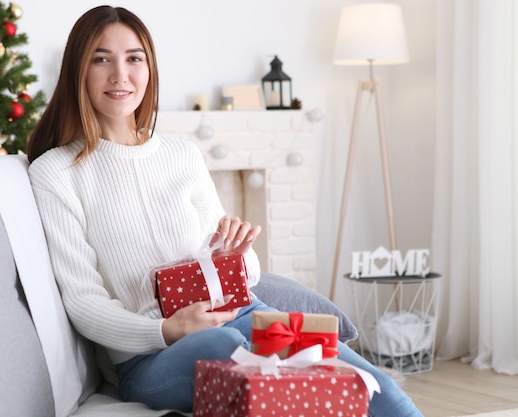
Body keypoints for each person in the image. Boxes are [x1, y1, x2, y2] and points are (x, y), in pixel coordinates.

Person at [27, 5, 423, 416]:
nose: (120, 75)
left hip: (246, 314)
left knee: (375, 386)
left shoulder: (183, 156)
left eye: (134, 58)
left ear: (150, 69)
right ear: (78, 70)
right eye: (101, 59)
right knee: (224, 346)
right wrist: (165, 329)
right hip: (151, 357)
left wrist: (231, 258)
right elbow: (83, 300)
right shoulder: (56, 172)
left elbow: (247, 273)